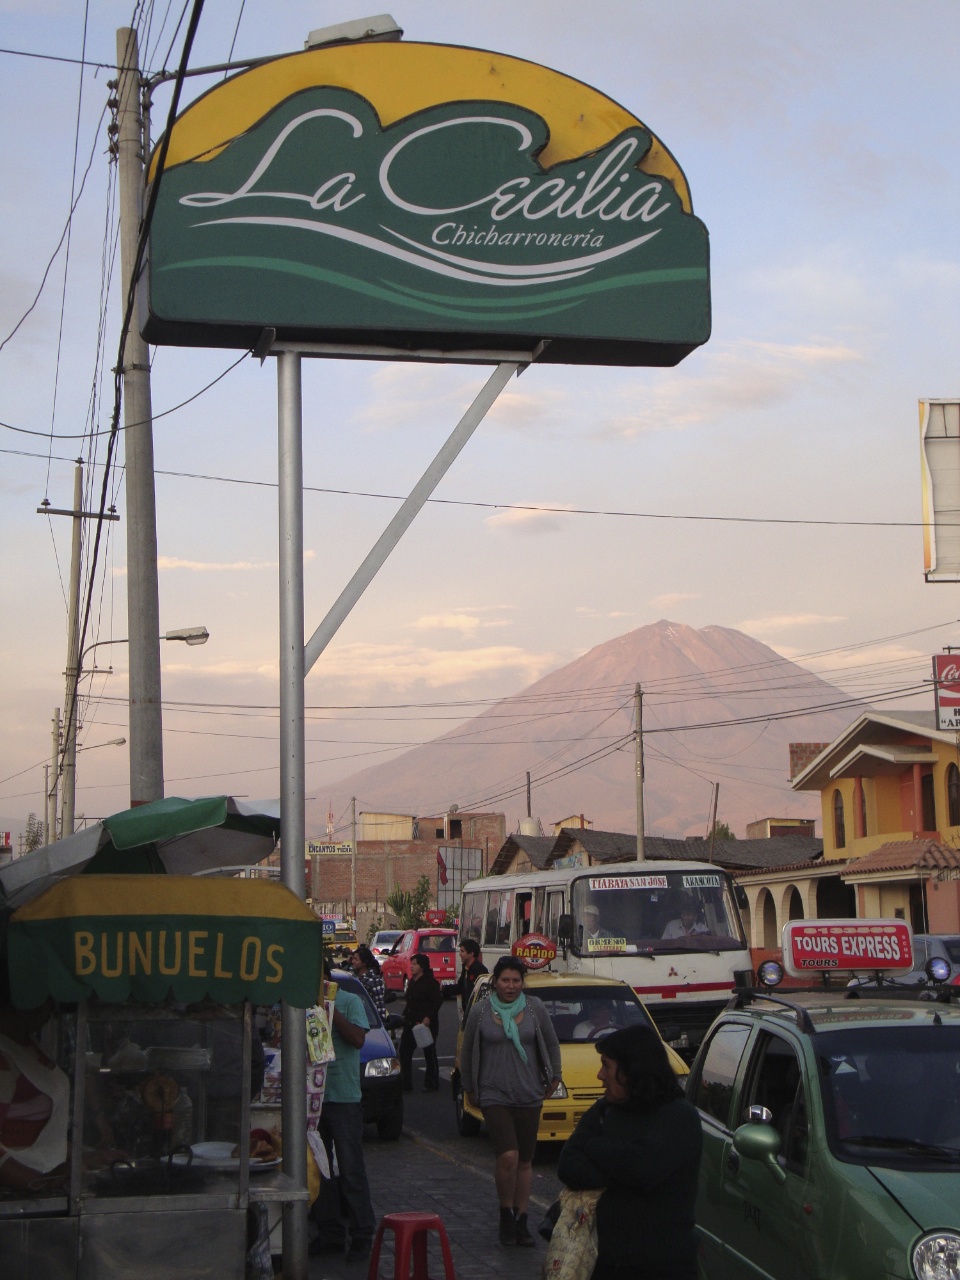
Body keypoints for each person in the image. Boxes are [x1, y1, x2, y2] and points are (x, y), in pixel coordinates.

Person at [557, 1025, 702, 1280]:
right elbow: (568, 1164)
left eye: (607, 1066)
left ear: (632, 1071)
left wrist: (595, 1147)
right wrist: (622, 1167)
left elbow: (642, 1170)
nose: (600, 1075)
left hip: (663, 1266)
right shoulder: (604, 1111)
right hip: (605, 1263)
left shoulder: (679, 1116)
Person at [460, 956, 562, 1247]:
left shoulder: (535, 1008)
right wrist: (469, 1087)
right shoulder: (481, 1011)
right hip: (494, 1094)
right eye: (505, 980)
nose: (511, 986)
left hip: (529, 1093)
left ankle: (521, 1219)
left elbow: (551, 1044)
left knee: (526, 1161)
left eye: (516, 980)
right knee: (508, 1156)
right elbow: (468, 1052)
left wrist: (555, 1077)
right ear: (495, 982)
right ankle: (505, 1212)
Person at [310, 965, 376, 1260]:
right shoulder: (297, 1003)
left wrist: (331, 1010)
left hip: (344, 1096)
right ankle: (330, 1232)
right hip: (312, 1097)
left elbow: (359, 1040)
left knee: (351, 1168)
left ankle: (362, 1232)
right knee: (320, 1169)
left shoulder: (350, 1001)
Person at [0, 988, 70, 1193]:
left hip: (44, 1187)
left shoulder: (26, 1044)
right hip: (15, 1196)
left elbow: (40, 1130)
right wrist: (38, 1182)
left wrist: (79, 1156)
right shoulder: (3, 1058)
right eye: (43, 999)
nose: (51, 1008)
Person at [399, 954, 443, 1091]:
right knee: (404, 1052)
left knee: (429, 1053)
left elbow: (436, 1002)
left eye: (415, 964)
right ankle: (406, 1084)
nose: (412, 966)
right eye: (411, 963)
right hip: (411, 1023)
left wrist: (428, 1018)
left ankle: (432, 1083)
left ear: (422, 966)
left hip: (425, 1025)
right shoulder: (412, 981)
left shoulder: (430, 983)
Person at [349, 945, 387, 1020]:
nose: (353, 961)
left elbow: (380, 1005)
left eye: (356, 959)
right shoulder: (350, 977)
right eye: (353, 958)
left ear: (364, 963)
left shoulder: (374, 981)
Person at [456, 939, 488, 1022]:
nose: (459, 954)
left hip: (477, 1015)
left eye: (462, 951)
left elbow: (483, 994)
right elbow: (459, 988)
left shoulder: (480, 970)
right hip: (467, 1013)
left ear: (471, 953)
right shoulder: (466, 968)